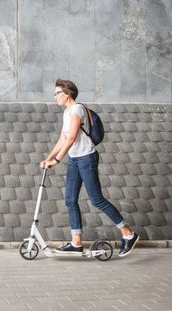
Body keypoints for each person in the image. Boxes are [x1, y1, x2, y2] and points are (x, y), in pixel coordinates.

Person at [40, 79, 139, 257]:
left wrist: (57, 160)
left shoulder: (77, 109)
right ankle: (76, 242)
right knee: (70, 199)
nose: (55, 97)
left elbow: (71, 138)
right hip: (74, 159)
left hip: (87, 158)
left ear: (67, 93)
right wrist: (48, 158)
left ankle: (128, 234)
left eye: (57, 93)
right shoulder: (66, 113)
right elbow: (62, 139)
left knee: (96, 199)